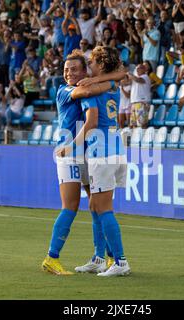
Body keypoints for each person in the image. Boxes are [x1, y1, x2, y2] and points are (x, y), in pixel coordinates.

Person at [42, 49, 125, 275]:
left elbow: (118, 75)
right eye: (66, 69)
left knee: (95, 206)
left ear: (84, 70)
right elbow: (95, 86)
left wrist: (103, 78)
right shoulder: (66, 90)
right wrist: (108, 80)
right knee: (71, 206)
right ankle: (52, 257)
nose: (69, 73)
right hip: (69, 151)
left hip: (87, 150)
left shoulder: (90, 88)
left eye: (75, 69)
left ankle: (102, 257)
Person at [70, 46, 130, 276]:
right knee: (95, 206)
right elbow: (119, 75)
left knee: (103, 208)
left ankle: (121, 261)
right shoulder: (111, 85)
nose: (88, 67)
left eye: (92, 62)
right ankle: (98, 257)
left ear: (101, 65)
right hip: (112, 149)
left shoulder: (94, 89)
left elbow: (85, 97)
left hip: (103, 152)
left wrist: (71, 146)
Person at [128, 63, 152, 128]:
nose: (137, 70)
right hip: (134, 103)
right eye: (136, 68)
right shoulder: (135, 78)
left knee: (141, 124)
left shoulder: (145, 77)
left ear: (144, 69)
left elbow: (138, 80)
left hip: (142, 103)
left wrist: (129, 74)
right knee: (133, 125)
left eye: (139, 68)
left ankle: (143, 137)